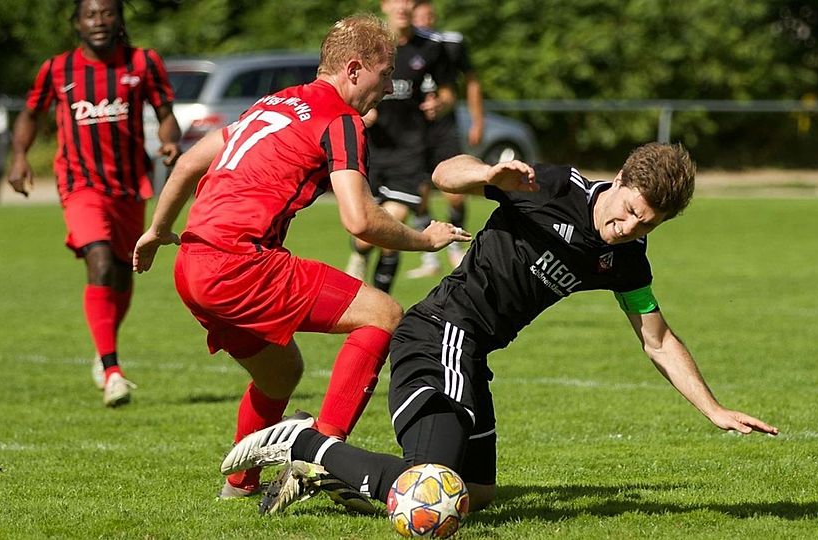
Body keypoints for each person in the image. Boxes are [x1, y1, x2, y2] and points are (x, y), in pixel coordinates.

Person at [222, 143, 780, 516]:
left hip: (474, 354)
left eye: (646, 224)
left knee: (478, 495)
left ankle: (327, 472)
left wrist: (713, 409)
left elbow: (657, 339)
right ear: (620, 180)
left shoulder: (626, 257)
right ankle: (303, 440)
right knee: (431, 486)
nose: (627, 227)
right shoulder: (553, 187)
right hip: (440, 333)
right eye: (630, 210)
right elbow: (445, 173)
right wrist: (487, 175)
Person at [131, 13, 469, 500]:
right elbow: (360, 220)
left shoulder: (277, 101)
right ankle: (320, 458)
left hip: (192, 264)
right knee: (383, 314)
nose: (389, 85)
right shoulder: (342, 120)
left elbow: (187, 162)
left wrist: (157, 231)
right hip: (240, 263)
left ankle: (239, 485)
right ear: (354, 69)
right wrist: (426, 239)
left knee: (281, 374)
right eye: (384, 73)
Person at [7, 0, 181, 407]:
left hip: (128, 186)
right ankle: (112, 369)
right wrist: (18, 157)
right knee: (99, 260)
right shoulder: (57, 69)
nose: (99, 21)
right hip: (80, 184)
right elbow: (30, 114)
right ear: (77, 22)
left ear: (119, 19)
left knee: (122, 273)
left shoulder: (143, 63)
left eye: (107, 13)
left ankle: (104, 351)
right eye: (90, 14)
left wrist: (170, 141)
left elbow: (165, 113)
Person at [344, 0, 457, 293]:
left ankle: (378, 300)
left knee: (393, 223)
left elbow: (448, 94)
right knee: (365, 235)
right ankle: (359, 254)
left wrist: (440, 104)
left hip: (410, 150)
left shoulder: (432, 47)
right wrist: (359, 112)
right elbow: (344, 88)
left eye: (409, 1)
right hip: (369, 150)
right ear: (384, 5)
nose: (403, 6)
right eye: (397, 0)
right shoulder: (367, 44)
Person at [407, 0, 485, 278]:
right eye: (419, 16)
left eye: (429, 15)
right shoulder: (401, 47)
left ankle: (456, 246)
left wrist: (478, 121)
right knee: (418, 194)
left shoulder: (450, 44)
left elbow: (470, 81)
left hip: (444, 129)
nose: (425, 20)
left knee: (455, 194)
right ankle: (429, 256)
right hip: (414, 132)